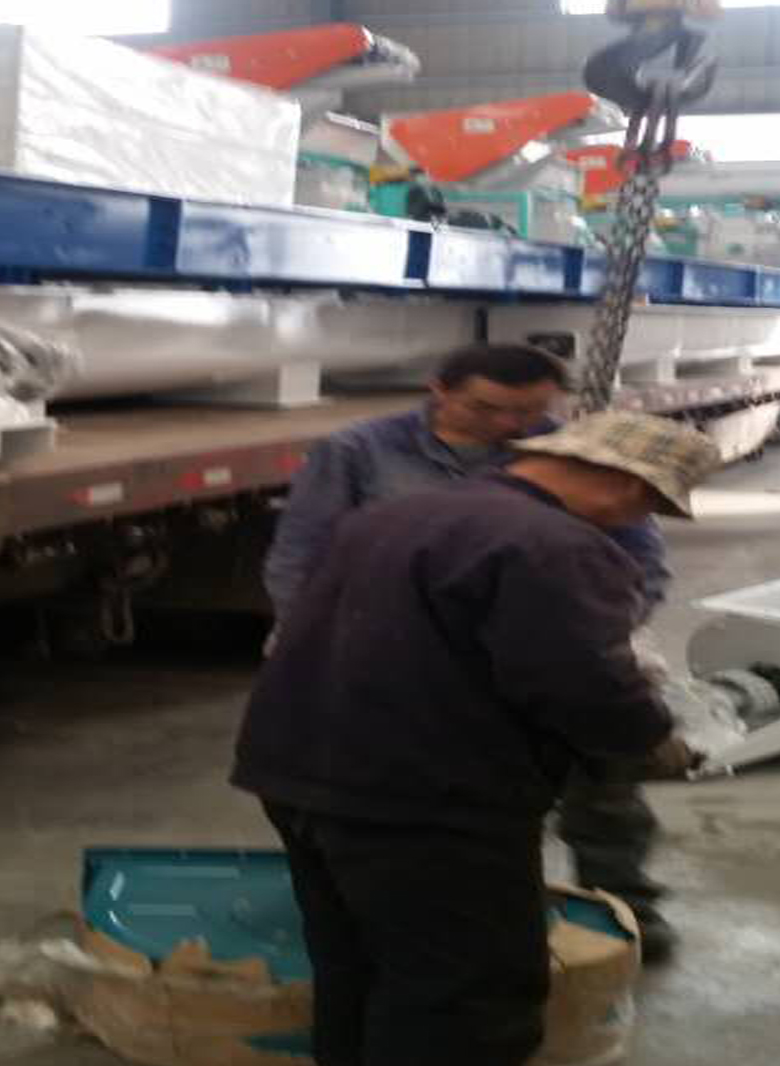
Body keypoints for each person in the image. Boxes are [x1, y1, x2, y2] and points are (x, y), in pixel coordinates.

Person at [234, 412, 721, 1066]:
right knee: (467, 999)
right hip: (425, 801)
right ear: (627, 485)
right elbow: (581, 682)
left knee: (357, 967)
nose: (632, 521)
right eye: (647, 506)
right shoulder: (556, 545)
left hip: (299, 772)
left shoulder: (392, 516)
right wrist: (654, 739)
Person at [262, 343, 683, 959]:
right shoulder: (360, 452)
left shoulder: (570, 458)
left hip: (545, 641)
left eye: (530, 411)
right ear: (440, 389)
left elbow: (641, 565)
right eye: (489, 408)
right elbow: (300, 558)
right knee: (432, 797)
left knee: (600, 778)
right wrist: (319, 641)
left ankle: (622, 897)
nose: (511, 425)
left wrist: (595, 635)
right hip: (406, 652)